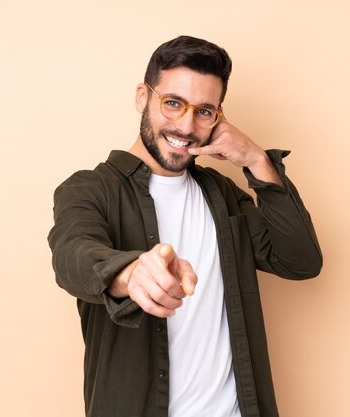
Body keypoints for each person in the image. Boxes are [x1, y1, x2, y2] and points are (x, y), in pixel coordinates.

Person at [48, 35, 322, 417]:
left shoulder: (222, 194)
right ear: (143, 96)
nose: (186, 125)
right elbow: (71, 254)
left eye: (204, 111)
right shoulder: (91, 188)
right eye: (173, 103)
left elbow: (300, 261)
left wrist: (257, 161)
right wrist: (129, 273)